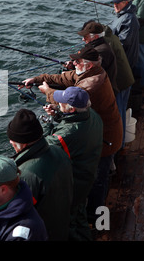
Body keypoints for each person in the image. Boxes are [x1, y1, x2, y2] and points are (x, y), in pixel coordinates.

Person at [22, 47, 122, 223]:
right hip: (97, 129)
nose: (73, 63)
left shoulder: (90, 84)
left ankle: (96, 219)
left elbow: (71, 101)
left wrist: (49, 94)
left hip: (106, 137)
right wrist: (36, 80)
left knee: (98, 180)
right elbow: (62, 79)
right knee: (101, 172)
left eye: (78, 61)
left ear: (89, 65)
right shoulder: (86, 74)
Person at [42, 87, 103, 240]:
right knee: (80, 213)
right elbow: (73, 125)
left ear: (71, 109)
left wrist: (49, 122)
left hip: (75, 183)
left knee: (68, 221)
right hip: (88, 175)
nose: (58, 103)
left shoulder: (65, 136)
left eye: (61, 102)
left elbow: (44, 147)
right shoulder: (93, 115)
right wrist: (58, 115)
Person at [6, 108, 73, 241]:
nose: (10, 143)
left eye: (13, 142)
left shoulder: (25, 175)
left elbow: (17, 214)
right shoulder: (58, 151)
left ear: (22, 144)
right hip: (64, 224)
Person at [103, 25, 134, 149]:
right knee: (122, 111)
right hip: (127, 80)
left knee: (119, 114)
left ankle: (119, 145)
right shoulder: (114, 38)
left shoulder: (106, 44)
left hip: (121, 83)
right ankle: (122, 141)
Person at [76, 21, 118, 94]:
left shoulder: (100, 51)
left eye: (85, 37)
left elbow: (91, 72)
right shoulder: (101, 46)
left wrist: (75, 66)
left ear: (95, 37)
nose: (83, 39)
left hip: (105, 91)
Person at [110, 0, 141, 72]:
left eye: (118, 3)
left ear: (126, 3)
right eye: (114, 3)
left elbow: (123, 42)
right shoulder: (122, 15)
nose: (115, 5)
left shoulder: (128, 19)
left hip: (126, 59)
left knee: (124, 82)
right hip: (124, 57)